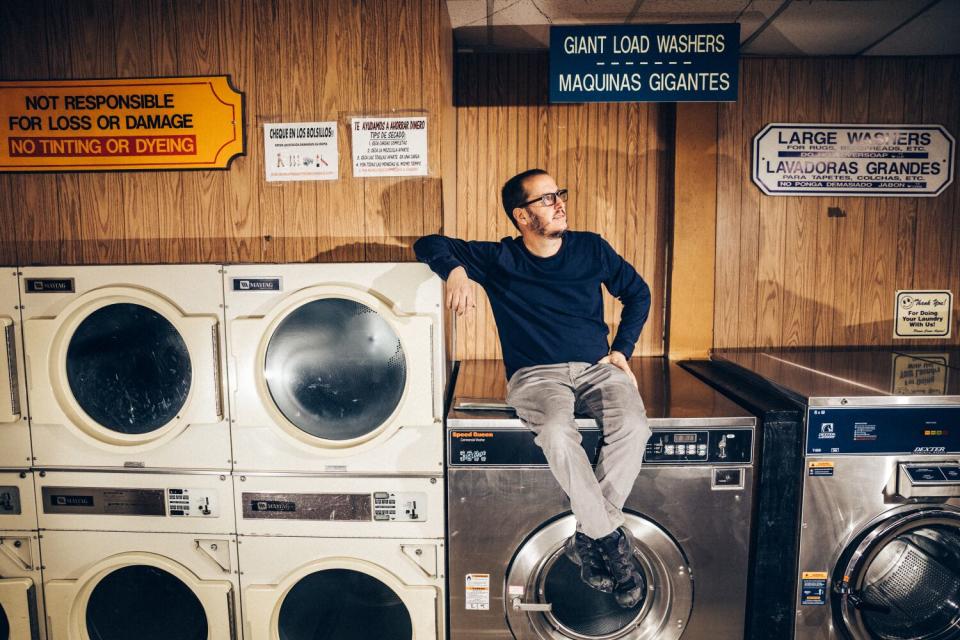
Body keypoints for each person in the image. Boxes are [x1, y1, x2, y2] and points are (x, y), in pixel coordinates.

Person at [414, 169, 652, 608]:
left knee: (635, 427)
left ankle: (588, 534)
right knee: (560, 433)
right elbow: (428, 243)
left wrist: (622, 350)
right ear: (521, 216)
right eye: (546, 199)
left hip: (598, 368)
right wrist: (458, 274)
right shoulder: (501, 259)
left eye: (559, 193)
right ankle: (610, 541)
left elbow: (638, 293)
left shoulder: (590, 247)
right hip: (536, 375)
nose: (560, 203)